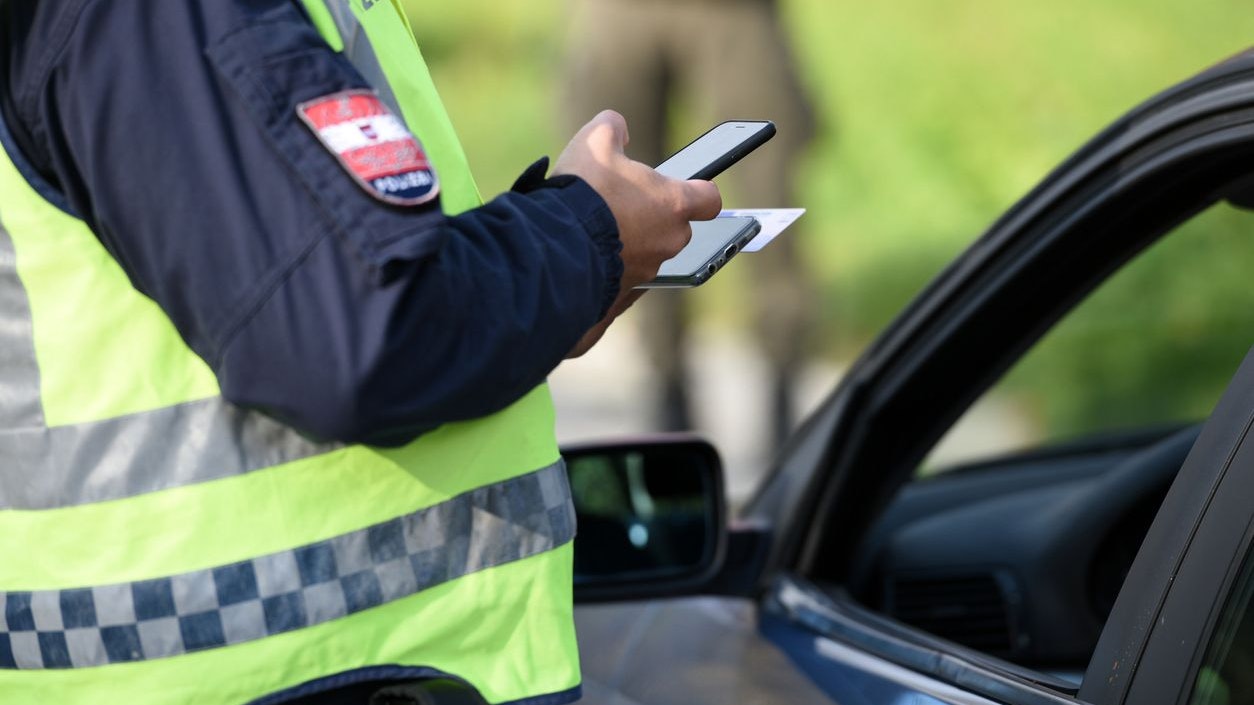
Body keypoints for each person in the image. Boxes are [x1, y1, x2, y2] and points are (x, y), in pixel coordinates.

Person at [0, 2, 719, 704]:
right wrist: (582, 234)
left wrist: (565, 282)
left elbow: (327, 284)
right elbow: (360, 334)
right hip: (297, 675)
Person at [564, 0, 817, 447]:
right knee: (624, 200)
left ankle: (784, 395)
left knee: (770, 194)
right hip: (620, 14)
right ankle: (667, 396)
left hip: (736, 13)